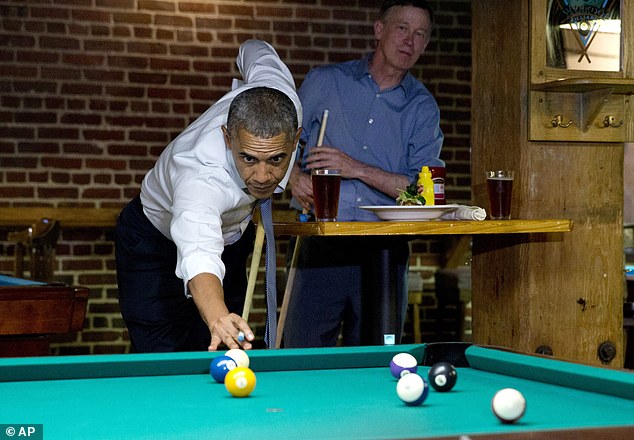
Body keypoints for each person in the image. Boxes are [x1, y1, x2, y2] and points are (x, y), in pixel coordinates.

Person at [115, 40, 302, 353]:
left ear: (296, 139)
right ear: (227, 138)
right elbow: (200, 252)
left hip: (229, 240)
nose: (262, 176)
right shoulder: (200, 175)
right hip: (153, 242)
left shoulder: (280, 91)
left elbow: (254, 48)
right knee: (164, 357)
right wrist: (217, 316)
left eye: (276, 159)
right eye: (248, 159)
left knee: (218, 349)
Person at [284, 0, 444, 348]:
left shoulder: (423, 108)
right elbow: (281, 146)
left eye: (420, 34)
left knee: (377, 365)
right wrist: (293, 177)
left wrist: (355, 168)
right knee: (301, 361)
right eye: (402, 28)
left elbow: (424, 193)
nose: (409, 41)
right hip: (321, 241)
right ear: (379, 30)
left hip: (384, 251)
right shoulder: (324, 82)